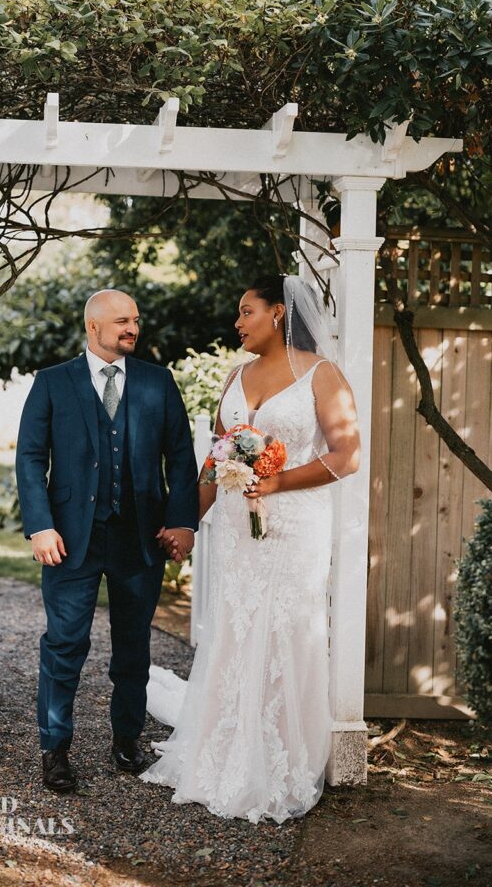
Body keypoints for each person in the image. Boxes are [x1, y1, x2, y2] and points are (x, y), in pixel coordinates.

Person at [142, 273, 361, 824]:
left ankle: (283, 758)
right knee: (237, 628)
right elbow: (218, 460)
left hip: (295, 527)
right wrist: (186, 523)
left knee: (287, 629)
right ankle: (223, 752)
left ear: (279, 313)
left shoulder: (322, 375)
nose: (237, 323)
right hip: (241, 531)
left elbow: (347, 455)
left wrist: (278, 482)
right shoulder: (235, 377)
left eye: (246, 311)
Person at [15, 289, 199, 792]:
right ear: (93, 326)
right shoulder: (53, 383)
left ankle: (127, 742)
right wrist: (41, 524)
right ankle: (55, 751)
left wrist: (183, 521)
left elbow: (181, 457)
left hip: (140, 540)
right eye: (122, 321)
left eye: (136, 320)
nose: (132, 329)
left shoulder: (158, 383)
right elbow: (30, 457)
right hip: (69, 538)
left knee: (133, 648)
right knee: (64, 643)